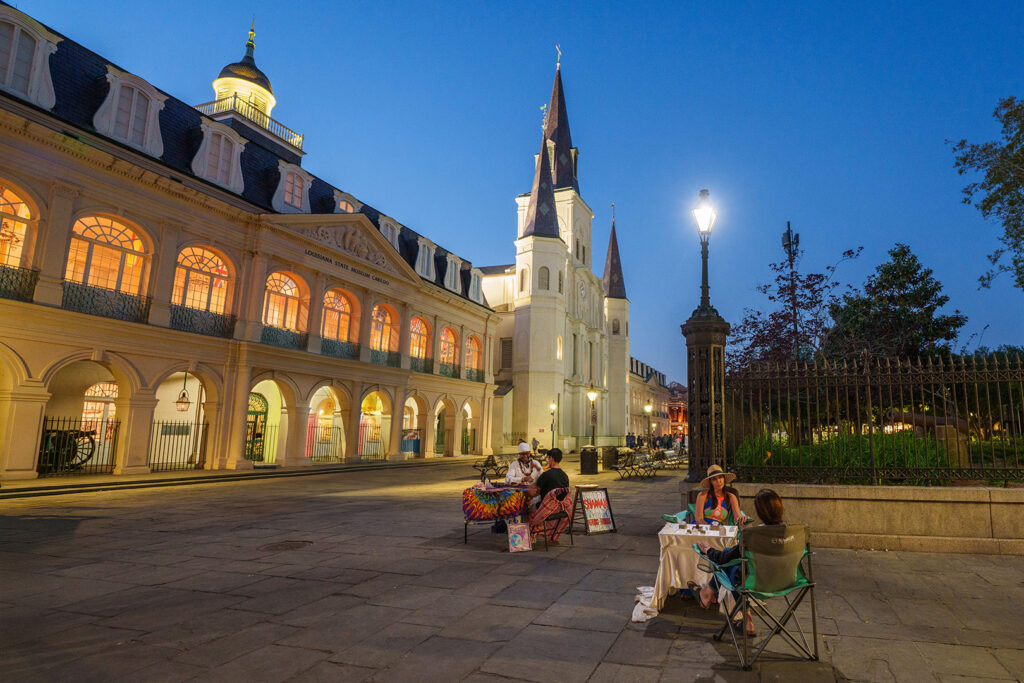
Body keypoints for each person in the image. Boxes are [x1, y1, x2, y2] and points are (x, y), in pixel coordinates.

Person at [694, 488, 786, 636]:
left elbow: (724, 559)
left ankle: (746, 619)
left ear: (760, 512)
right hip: (785, 581)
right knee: (737, 564)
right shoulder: (792, 532)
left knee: (731, 565)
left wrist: (709, 550)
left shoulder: (753, 535)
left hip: (754, 582)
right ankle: (708, 593)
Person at [528, 448, 572, 542]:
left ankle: (532, 534)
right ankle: (544, 532)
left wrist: (530, 486)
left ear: (551, 458)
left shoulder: (546, 475)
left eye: (548, 458)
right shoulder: (565, 476)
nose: (548, 460)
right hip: (561, 509)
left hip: (547, 510)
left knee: (528, 508)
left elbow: (535, 493)